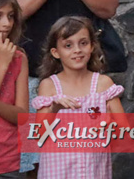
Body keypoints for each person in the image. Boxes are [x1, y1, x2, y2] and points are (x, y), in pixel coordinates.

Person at [32, 16, 124, 179]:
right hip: (56, 173)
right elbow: (39, 135)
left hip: (93, 172)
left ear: (92, 46)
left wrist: (108, 125)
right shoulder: (49, 86)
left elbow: (124, 130)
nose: (77, 50)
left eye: (83, 43)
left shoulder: (103, 85)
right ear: (56, 52)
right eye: (68, 45)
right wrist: (54, 109)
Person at [0, 0, 28, 178]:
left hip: (8, 162)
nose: (7, 23)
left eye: (11, 16)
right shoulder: (9, 59)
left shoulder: (18, 58)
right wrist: (1, 64)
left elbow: (22, 116)